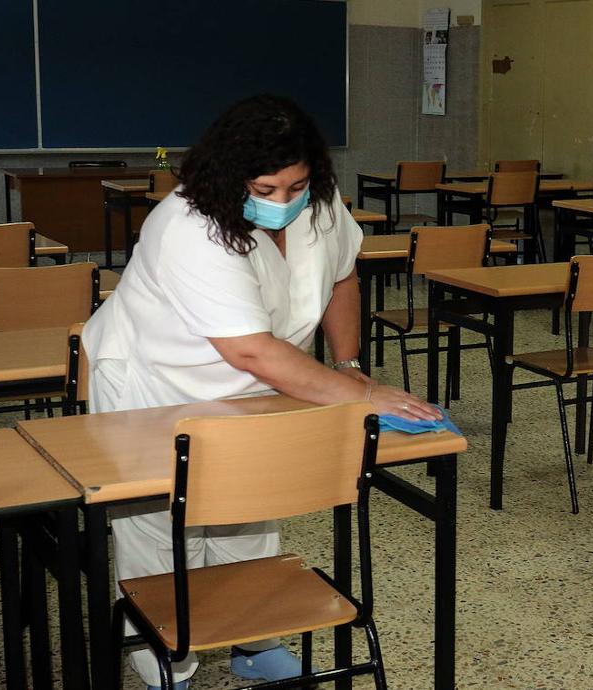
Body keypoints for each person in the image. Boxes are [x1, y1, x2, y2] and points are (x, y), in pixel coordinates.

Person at [83, 95, 438, 690]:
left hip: (262, 387)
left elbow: (343, 275)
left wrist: (349, 366)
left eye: (294, 186)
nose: (281, 202)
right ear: (228, 178)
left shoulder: (317, 202)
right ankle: (168, 665)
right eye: (265, 189)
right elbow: (248, 347)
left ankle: (255, 644)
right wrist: (365, 396)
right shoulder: (189, 225)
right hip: (155, 386)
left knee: (250, 514)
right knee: (162, 532)